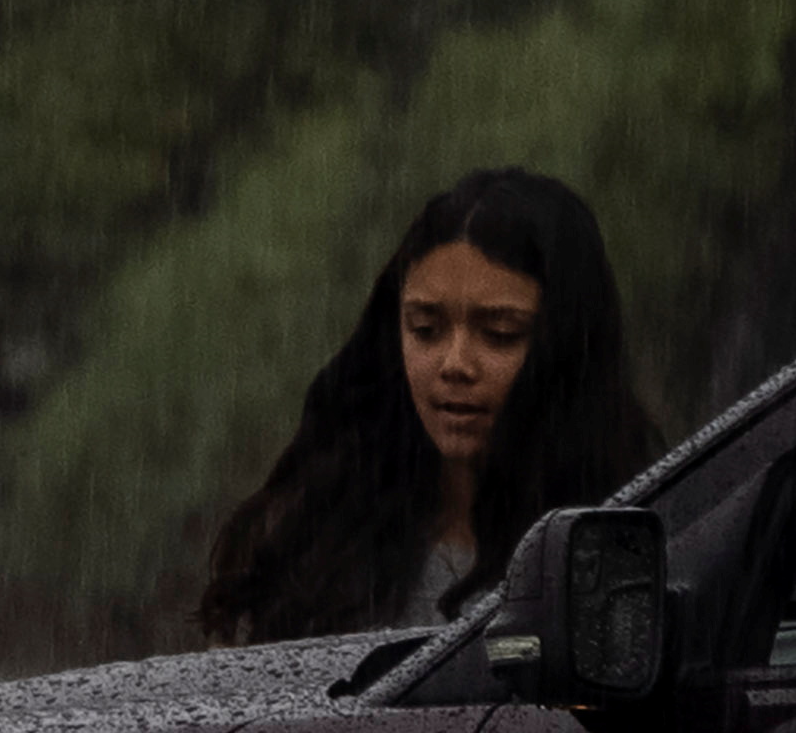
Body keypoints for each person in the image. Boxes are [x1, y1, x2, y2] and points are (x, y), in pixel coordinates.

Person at [196, 167, 665, 645]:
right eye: (425, 329)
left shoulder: (632, 552)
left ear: (566, 347)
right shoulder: (321, 547)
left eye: (500, 334)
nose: (455, 364)